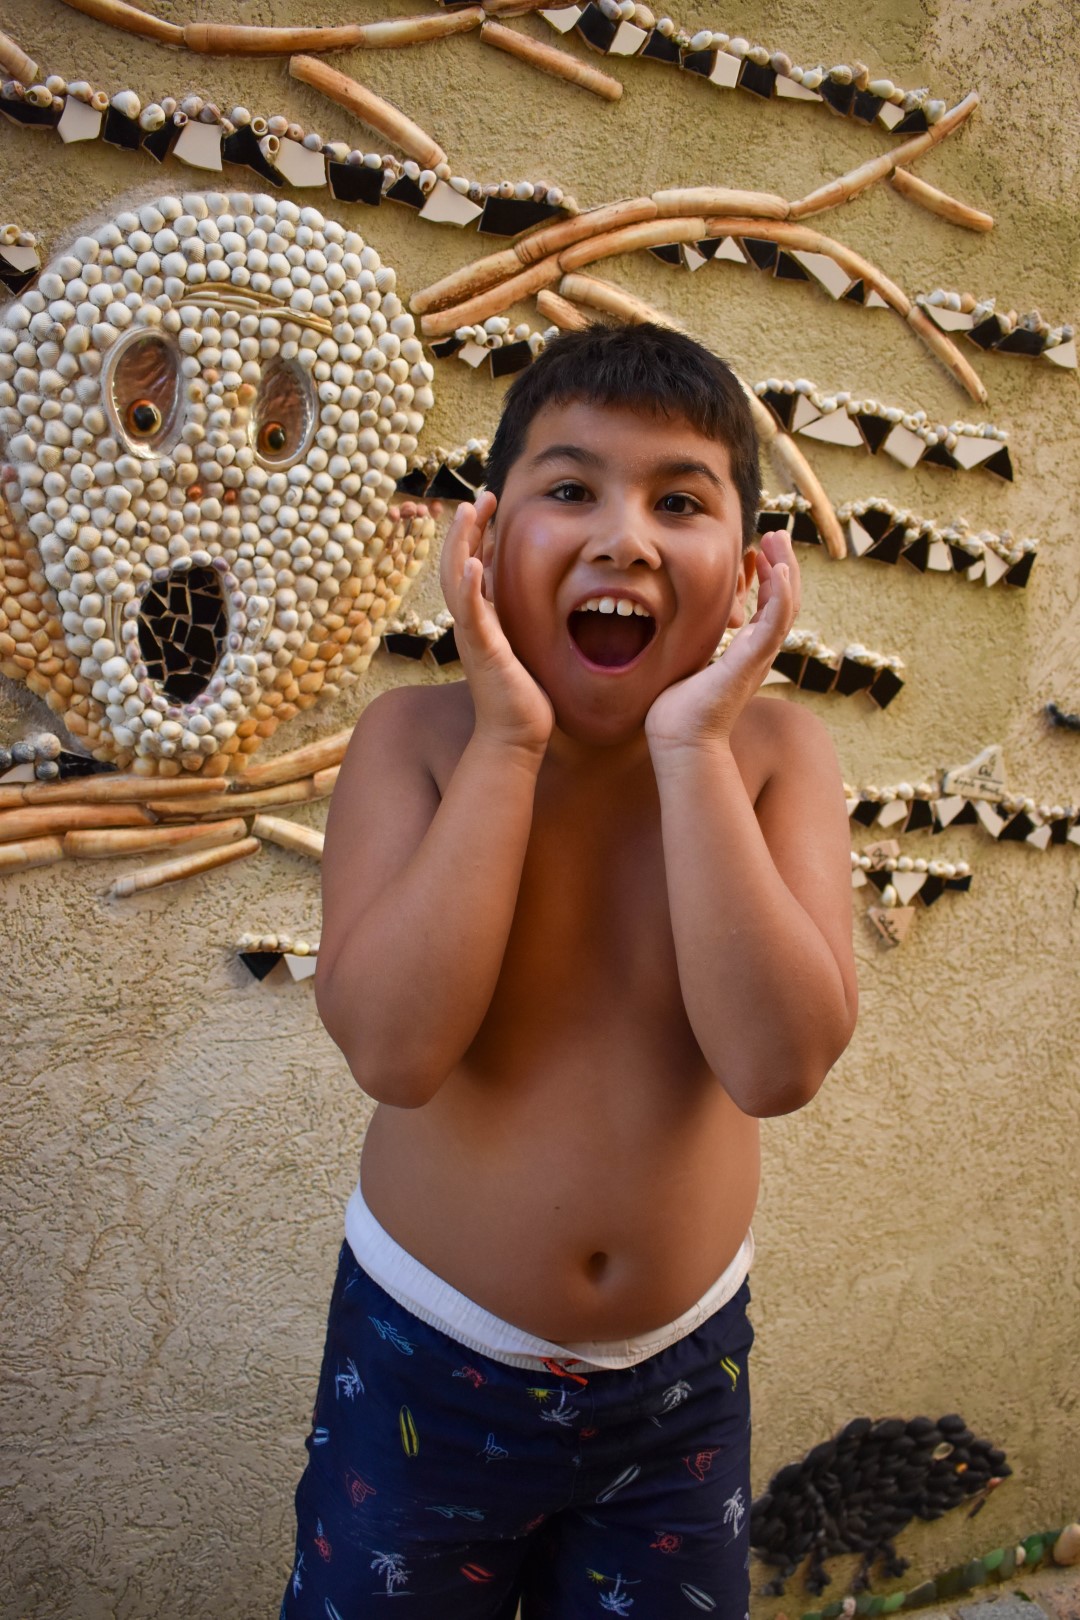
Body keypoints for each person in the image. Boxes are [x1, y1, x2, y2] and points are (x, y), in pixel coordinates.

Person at [281, 322, 858, 1620]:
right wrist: (506, 740)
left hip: (680, 1384)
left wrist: (695, 746)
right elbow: (394, 1051)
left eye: (679, 500)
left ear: (750, 568)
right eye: (569, 488)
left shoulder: (773, 759)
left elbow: (778, 1065)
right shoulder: (417, 741)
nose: (624, 537)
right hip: (428, 1363)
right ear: (485, 544)